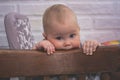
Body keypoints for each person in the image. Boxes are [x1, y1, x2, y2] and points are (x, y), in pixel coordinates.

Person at [33, 4, 101, 55]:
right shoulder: (46, 47)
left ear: (78, 30)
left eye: (72, 36)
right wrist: (41, 45)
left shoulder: (82, 47)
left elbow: (102, 53)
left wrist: (92, 45)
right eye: (59, 38)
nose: (67, 43)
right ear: (46, 37)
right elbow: (30, 56)